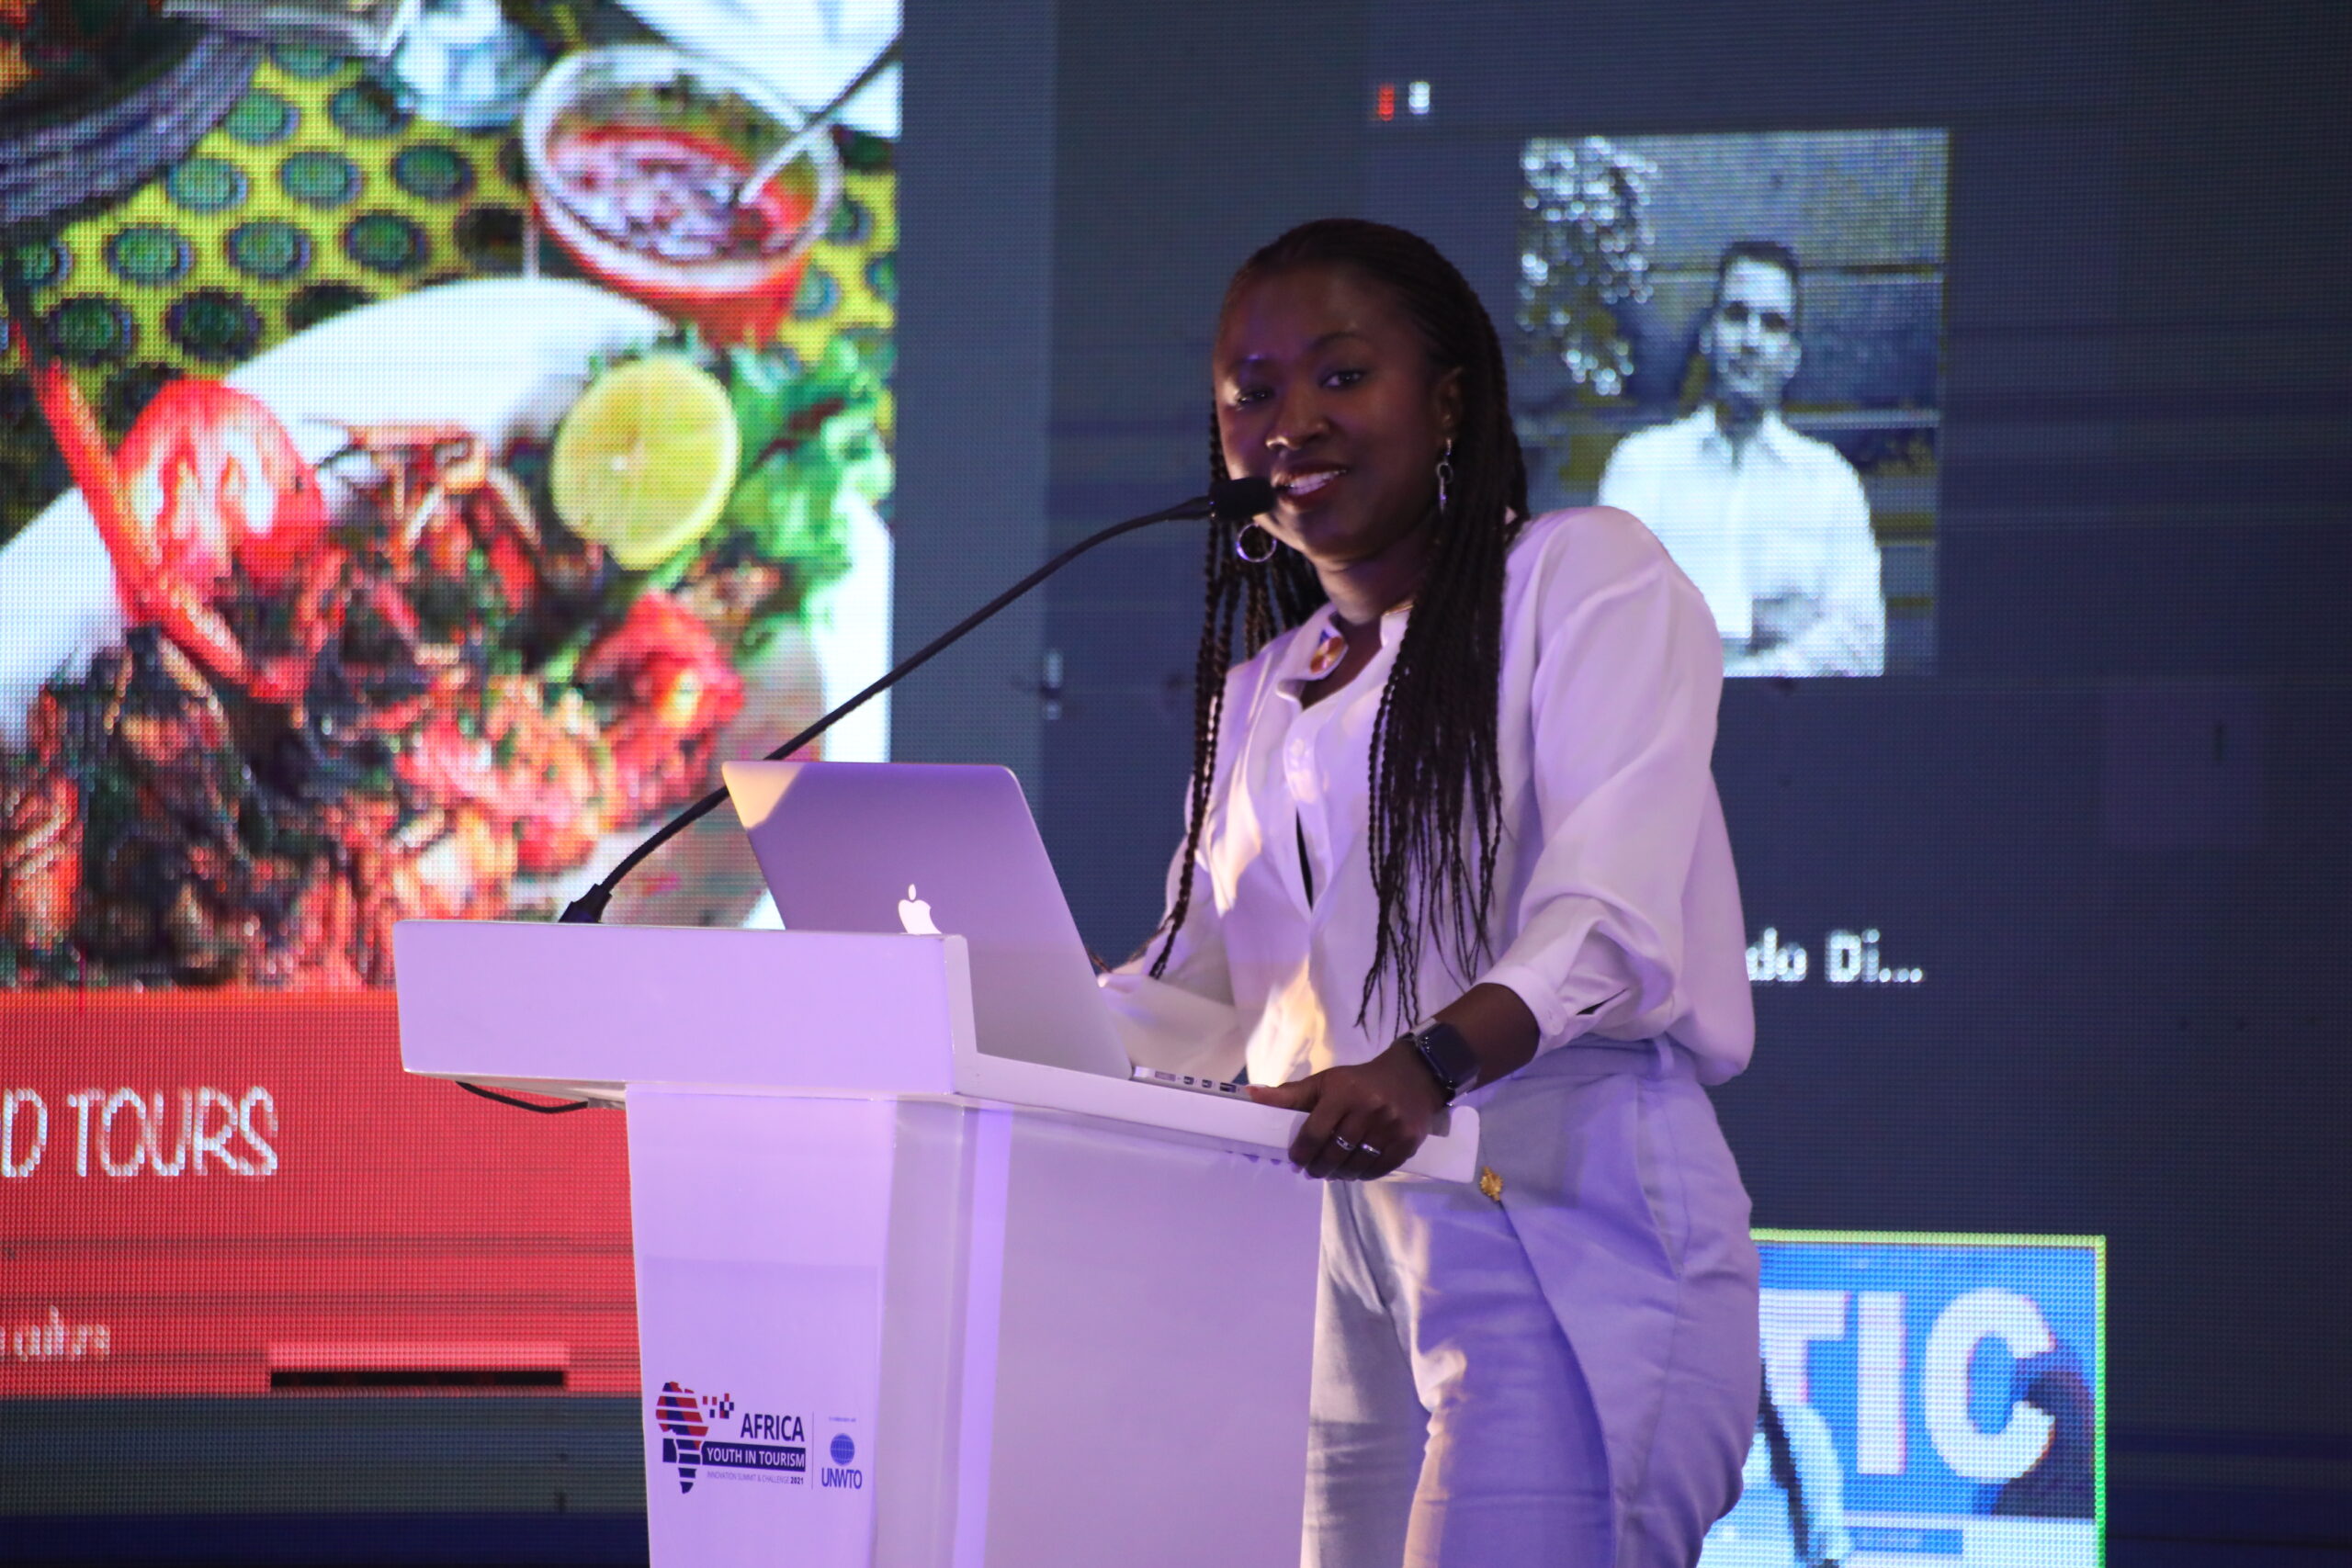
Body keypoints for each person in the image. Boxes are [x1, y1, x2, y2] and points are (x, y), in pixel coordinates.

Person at [1100, 218, 1761, 1566]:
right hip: (1335, 1249)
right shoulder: (1263, 686)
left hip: (1565, 1213)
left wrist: (1427, 1062)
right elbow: (1201, 993)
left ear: (1448, 400)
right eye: (1250, 391)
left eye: (1341, 375)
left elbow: (1611, 918)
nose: (1290, 421)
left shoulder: (1581, 577)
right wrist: (954, 1015)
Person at [1596, 241, 1883, 677]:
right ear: (1708, 337)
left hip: (1781, 723)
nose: (1751, 341)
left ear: (1792, 356)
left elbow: (1862, 649)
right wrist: (1770, 630)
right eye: (1736, 316)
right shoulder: (1642, 466)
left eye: (1772, 324)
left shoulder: (1830, 485)